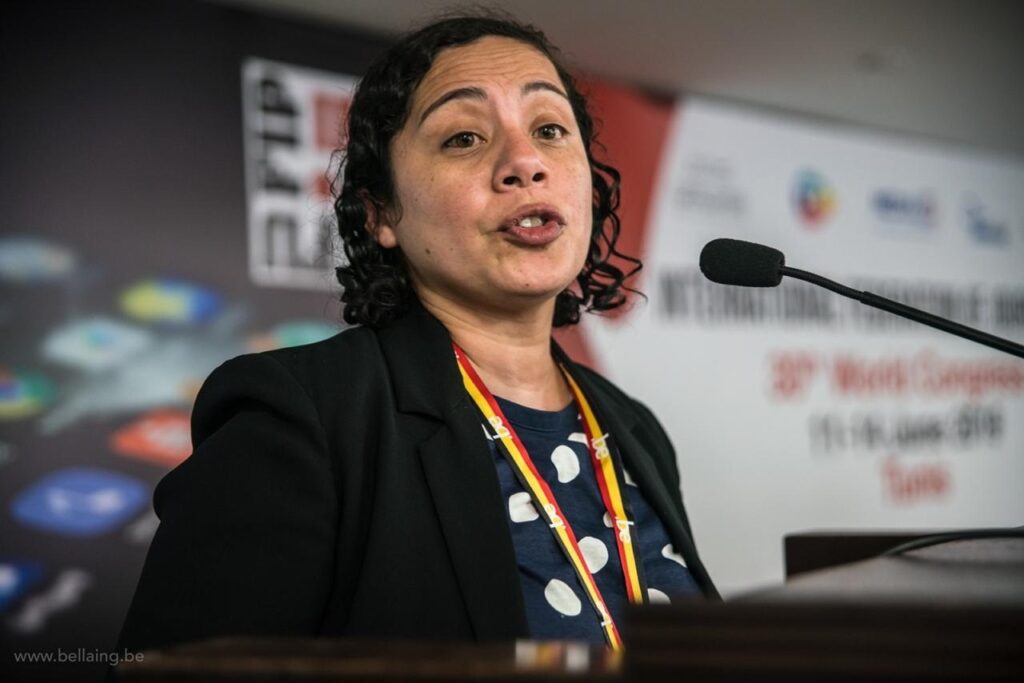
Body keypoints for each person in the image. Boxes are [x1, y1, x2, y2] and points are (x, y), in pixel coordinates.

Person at [116, 12, 718, 657]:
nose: (524, 162)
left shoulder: (634, 428)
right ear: (381, 214)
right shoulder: (302, 416)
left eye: (549, 129)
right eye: (464, 137)